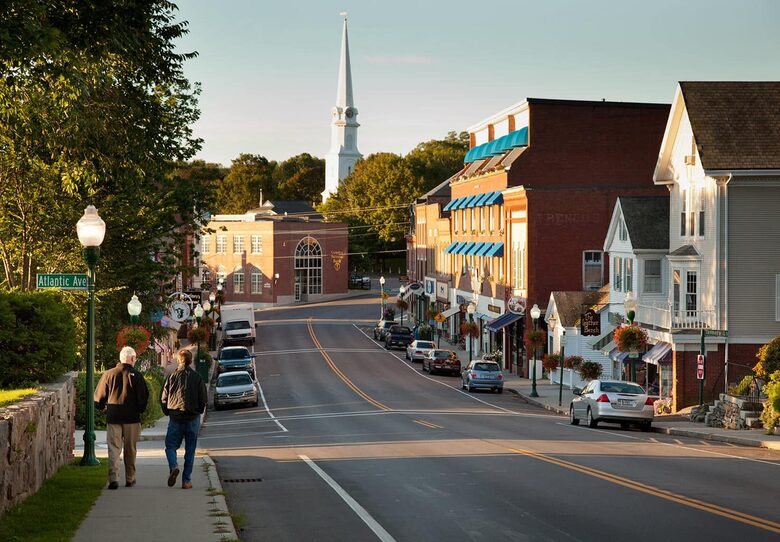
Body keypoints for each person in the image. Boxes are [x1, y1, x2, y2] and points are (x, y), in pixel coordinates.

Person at [94, 346, 149, 489]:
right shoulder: (137, 375)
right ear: (131, 359)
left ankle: (114, 478)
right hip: (132, 418)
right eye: (135, 358)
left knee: (114, 448)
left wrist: (103, 407)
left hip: (113, 416)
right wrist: (139, 410)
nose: (135, 360)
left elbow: (98, 396)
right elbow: (143, 398)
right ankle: (130, 478)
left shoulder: (109, 374)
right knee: (130, 449)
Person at [161, 349, 207, 489]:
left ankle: (174, 466)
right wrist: (198, 411)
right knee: (190, 450)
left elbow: (163, 397)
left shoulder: (171, 376)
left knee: (170, 446)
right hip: (192, 417)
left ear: (178, 361)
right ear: (190, 361)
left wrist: (167, 411)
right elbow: (203, 398)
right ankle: (186, 480)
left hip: (175, 416)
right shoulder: (197, 377)